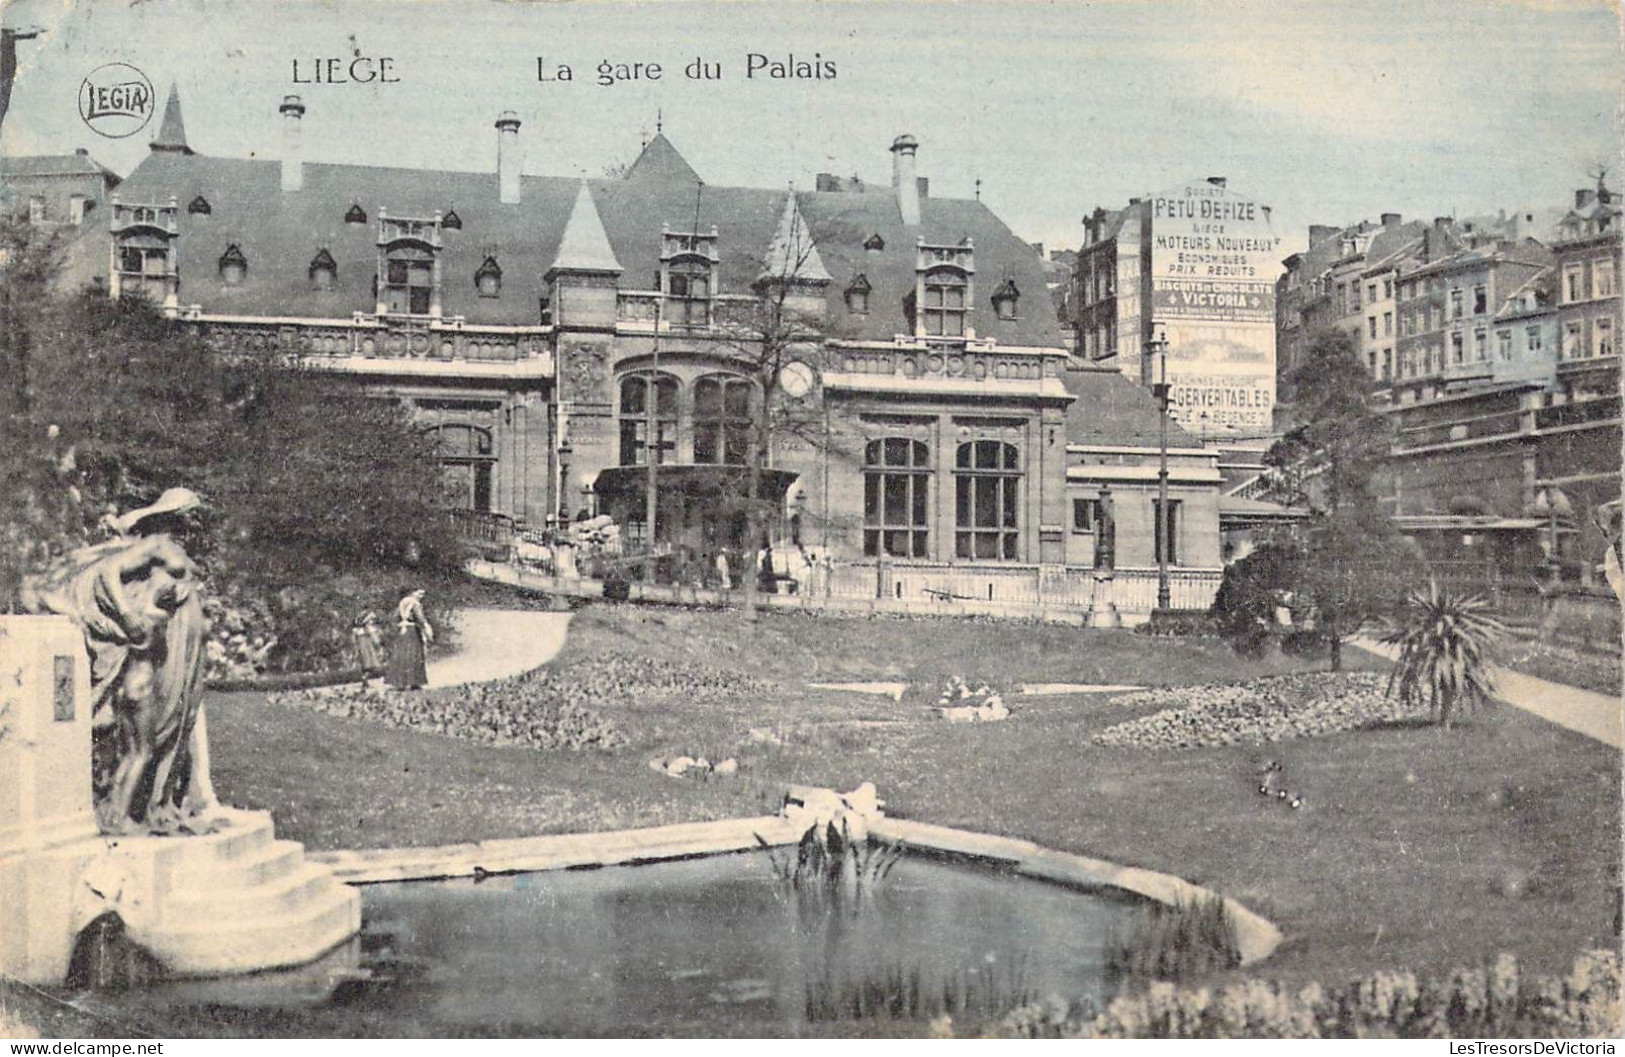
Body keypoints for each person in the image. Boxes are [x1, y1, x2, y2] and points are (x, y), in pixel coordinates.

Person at [386, 588, 434, 690]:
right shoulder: (415, 603)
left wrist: (399, 625)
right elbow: (420, 618)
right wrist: (426, 626)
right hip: (412, 630)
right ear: (413, 592)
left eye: (423, 594)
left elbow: (394, 616)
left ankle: (399, 682)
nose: (422, 596)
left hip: (402, 630)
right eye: (420, 593)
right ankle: (414, 682)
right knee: (414, 654)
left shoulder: (402, 602)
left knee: (401, 654)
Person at [351, 611, 386, 683]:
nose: (372, 622)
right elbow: (376, 640)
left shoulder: (358, 632)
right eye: (371, 620)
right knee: (371, 664)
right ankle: (366, 677)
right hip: (368, 648)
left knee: (366, 664)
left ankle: (365, 678)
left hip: (364, 648)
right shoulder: (368, 630)